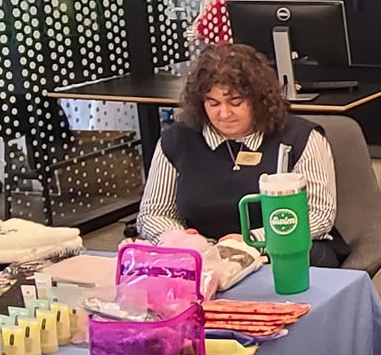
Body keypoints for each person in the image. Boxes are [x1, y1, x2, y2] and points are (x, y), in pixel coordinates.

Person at [138, 43, 345, 267]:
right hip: (203, 259)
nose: (224, 113)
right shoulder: (177, 140)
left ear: (259, 100)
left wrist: (250, 241)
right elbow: (153, 213)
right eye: (213, 103)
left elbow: (319, 215)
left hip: (281, 252)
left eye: (235, 102)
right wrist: (183, 241)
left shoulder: (300, 138)